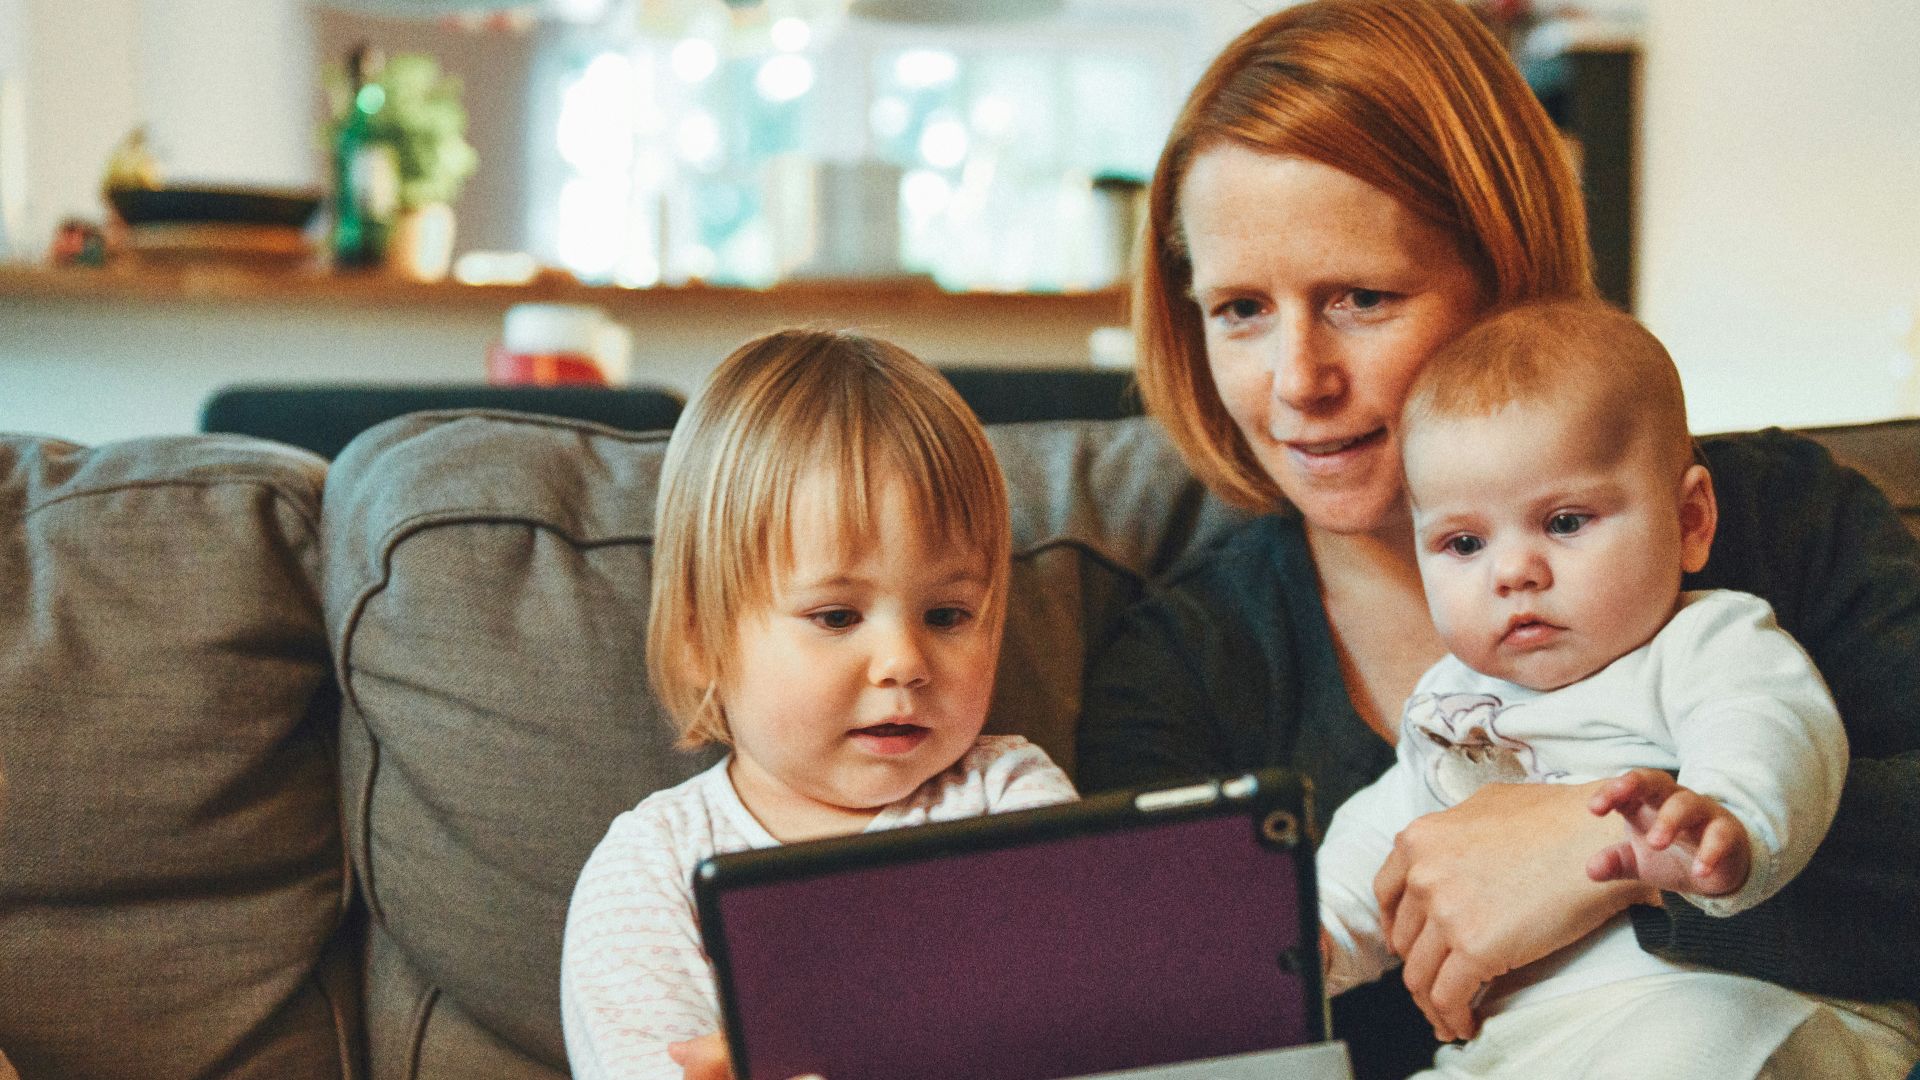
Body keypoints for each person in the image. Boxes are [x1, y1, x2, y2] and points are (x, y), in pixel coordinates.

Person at [1075, 1, 1920, 1077]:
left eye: (1362, 298)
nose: (1298, 382)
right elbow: (1194, 1015)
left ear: (1507, 271)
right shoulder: (1184, 669)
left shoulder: (1778, 521)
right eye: (1241, 309)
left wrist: (1607, 855)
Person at [1313, 299, 1920, 1077]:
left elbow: (1768, 727)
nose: (1513, 571)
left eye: (1565, 522)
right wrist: (1313, 938)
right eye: (1464, 542)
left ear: (1692, 521)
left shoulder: (1707, 642)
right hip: (1523, 1048)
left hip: (1735, 1009)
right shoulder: (1449, 701)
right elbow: (1389, 836)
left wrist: (1725, 826)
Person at [559, 329, 1077, 1080]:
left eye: (947, 616)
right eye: (836, 617)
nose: (903, 663)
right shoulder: (653, 870)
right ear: (701, 638)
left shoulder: (1012, 799)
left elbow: (1082, 1026)